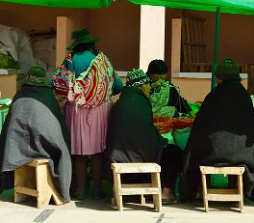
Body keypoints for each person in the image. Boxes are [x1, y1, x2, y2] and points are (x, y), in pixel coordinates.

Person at [51, 28, 123, 200]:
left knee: (79, 151)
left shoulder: (70, 60)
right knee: (98, 151)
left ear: (76, 45)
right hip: (101, 112)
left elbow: (58, 85)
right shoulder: (104, 60)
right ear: (91, 44)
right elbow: (118, 86)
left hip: (76, 111)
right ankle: (97, 189)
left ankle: (80, 190)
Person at [182, 59, 254, 202]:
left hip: (212, 155)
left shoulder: (214, 96)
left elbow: (199, 128)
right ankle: (238, 188)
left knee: (195, 151)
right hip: (243, 156)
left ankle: (198, 190)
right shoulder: (244, 97)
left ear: (219, 78)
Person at [105, 68, 183, 203]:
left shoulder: (122, 102)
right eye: (147, 85)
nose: (149, 88)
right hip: (135, 164)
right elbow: (147, 140)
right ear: (140, 86)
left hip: (114, 160)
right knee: (173, 152)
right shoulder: (140, 102)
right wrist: (161, 141)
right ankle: (165, 194)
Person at [0, 66, 72, 202]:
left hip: (17, 150)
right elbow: (58, 129)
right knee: (64, 149)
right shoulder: (49, 97)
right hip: (47, 147)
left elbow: (9, 129)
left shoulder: (19, 95)